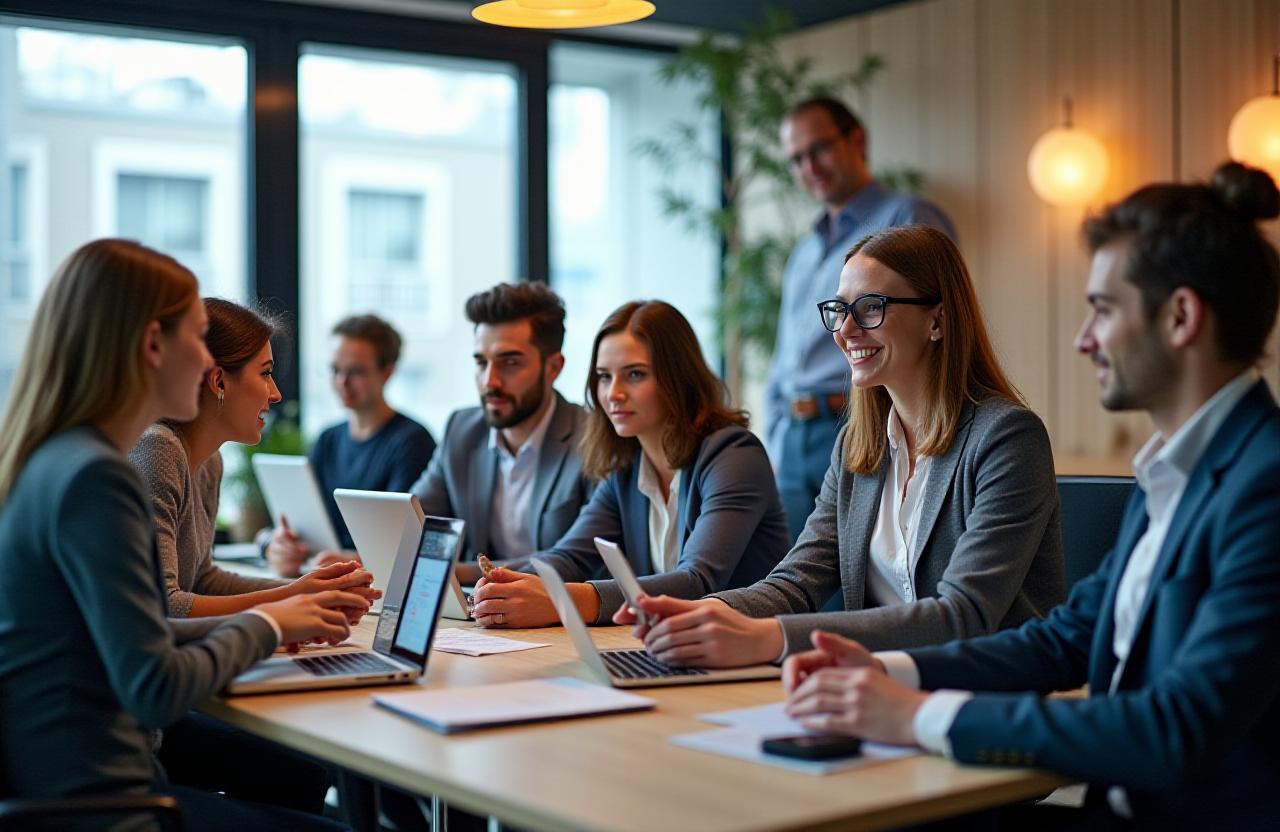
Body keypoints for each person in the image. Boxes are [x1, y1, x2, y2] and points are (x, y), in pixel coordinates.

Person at [781, 162, 1280, 830]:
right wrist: (888, 671)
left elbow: (1177, 727)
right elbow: (1064, 639)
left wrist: (919, 715)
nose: (1083, 339)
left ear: (1182, 317)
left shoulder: (1264, 485)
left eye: (1102, 309)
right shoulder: (1177, 474)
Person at [0, 239, 367, 830]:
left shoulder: (61, 460)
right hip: (106, 805)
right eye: (198, 338)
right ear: (152, 346)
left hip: (74, 778)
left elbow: (148, 629)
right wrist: (269, 623)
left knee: (298, 775)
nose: (207, 363)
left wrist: (288, 600)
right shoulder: (98, 477)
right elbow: (155, 686)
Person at [621, 225, 1065, 667]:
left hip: (988, 702)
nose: (845, 330)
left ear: (938, 320)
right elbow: (796, 583)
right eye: (839, 310)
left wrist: (770, 638)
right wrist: (709, 612)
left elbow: (964, 615)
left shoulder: (1006, 438)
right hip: (875, 692)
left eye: (871, 307)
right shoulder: (859, 448)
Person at [471, 300, 790, 628]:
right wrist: (504, 585)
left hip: (756, 660)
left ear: (677, 378)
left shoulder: (734, 455)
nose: (613, 393)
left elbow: (697, 582)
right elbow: (569, 556)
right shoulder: (626, 466)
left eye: (634, 374)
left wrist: (561, 599)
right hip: (672, 650)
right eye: (604, 377)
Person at [767, 96, 957, 544]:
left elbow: (935, 329)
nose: (808, 167)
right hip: (795, 440)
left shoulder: (907, 218)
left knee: (861, 587)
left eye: (819, 149)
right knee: (801, 580)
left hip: (861, 421)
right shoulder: (805, 250)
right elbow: (784, 357)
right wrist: (777, 438)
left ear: (857, 140)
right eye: (796, 159)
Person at [130, 299, 380, 618]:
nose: (274, 393)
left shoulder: (209, 461)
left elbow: (203, 580)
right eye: (265, 374)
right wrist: (293, 596)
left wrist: (309, 589)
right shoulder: (158, 449)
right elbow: (165, 606)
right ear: (218, 381)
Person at [410, 282, 594, 585]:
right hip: (480, 615)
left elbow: (578, 557)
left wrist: (457, 573)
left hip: (561, 618)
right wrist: (356, 559)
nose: (490, 381)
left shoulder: (591, 439)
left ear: (553, 367)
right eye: (481, 362)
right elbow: (415, 527)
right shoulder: (462, 430)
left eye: (509, 363)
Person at [268, 314, 436, 576]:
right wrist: (281, 547)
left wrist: (353, 559)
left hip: (373, 580)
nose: (341, 382)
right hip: (323, 572)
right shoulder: (328, 439)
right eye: (335, 370)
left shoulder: (413, 441)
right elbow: (308, 521)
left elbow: (402, 539)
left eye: (355, 371)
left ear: (387, 372)